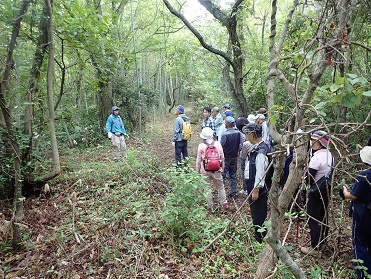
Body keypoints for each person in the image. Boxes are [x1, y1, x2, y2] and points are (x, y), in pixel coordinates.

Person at [301, 130, 334, 256]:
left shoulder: (317, 158)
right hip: (326, 191)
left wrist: (302, 176)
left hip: (315, 192)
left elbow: (309, 178)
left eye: (315, 141)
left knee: (313, 218)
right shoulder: (330, 155)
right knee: (323, 217)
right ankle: (323, 241)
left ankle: (316, 247)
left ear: (321, 143)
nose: (312, 143)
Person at [340, 146, 371, 279]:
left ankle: (363, 274)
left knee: (359, 243)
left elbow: (353, 195)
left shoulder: (364, 175)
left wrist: (344, 192)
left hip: (363, 214)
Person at [243, 123, 273, 243]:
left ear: (251, 135)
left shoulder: (261, 151)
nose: (245, 136)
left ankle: (259, 237)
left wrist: (256, 190)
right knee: (256, 211)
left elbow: (260, 172)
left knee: (258, 212)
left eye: (246, 134)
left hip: (258, 189)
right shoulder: (259, 147)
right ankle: (259, 234)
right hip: (254, 186)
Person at [196, 127, 228, 212]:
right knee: (220, 187)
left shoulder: (201, 146)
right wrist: (222, 168)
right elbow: (222, 157)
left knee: (207, 188)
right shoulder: (217, 144)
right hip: (217, 169)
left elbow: (199, 160)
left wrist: (197, 171)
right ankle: (223, 204)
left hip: (205, 170)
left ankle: (211, 206)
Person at [220, 116, 244, 200]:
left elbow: (221, 146)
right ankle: (233, 193)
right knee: (233, 175)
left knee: (223, 175)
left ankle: (222, 193)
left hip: (226, 157)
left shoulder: (224, 135)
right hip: (234, 156)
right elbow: (241, 144)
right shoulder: (239, 133)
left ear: (226, 124)